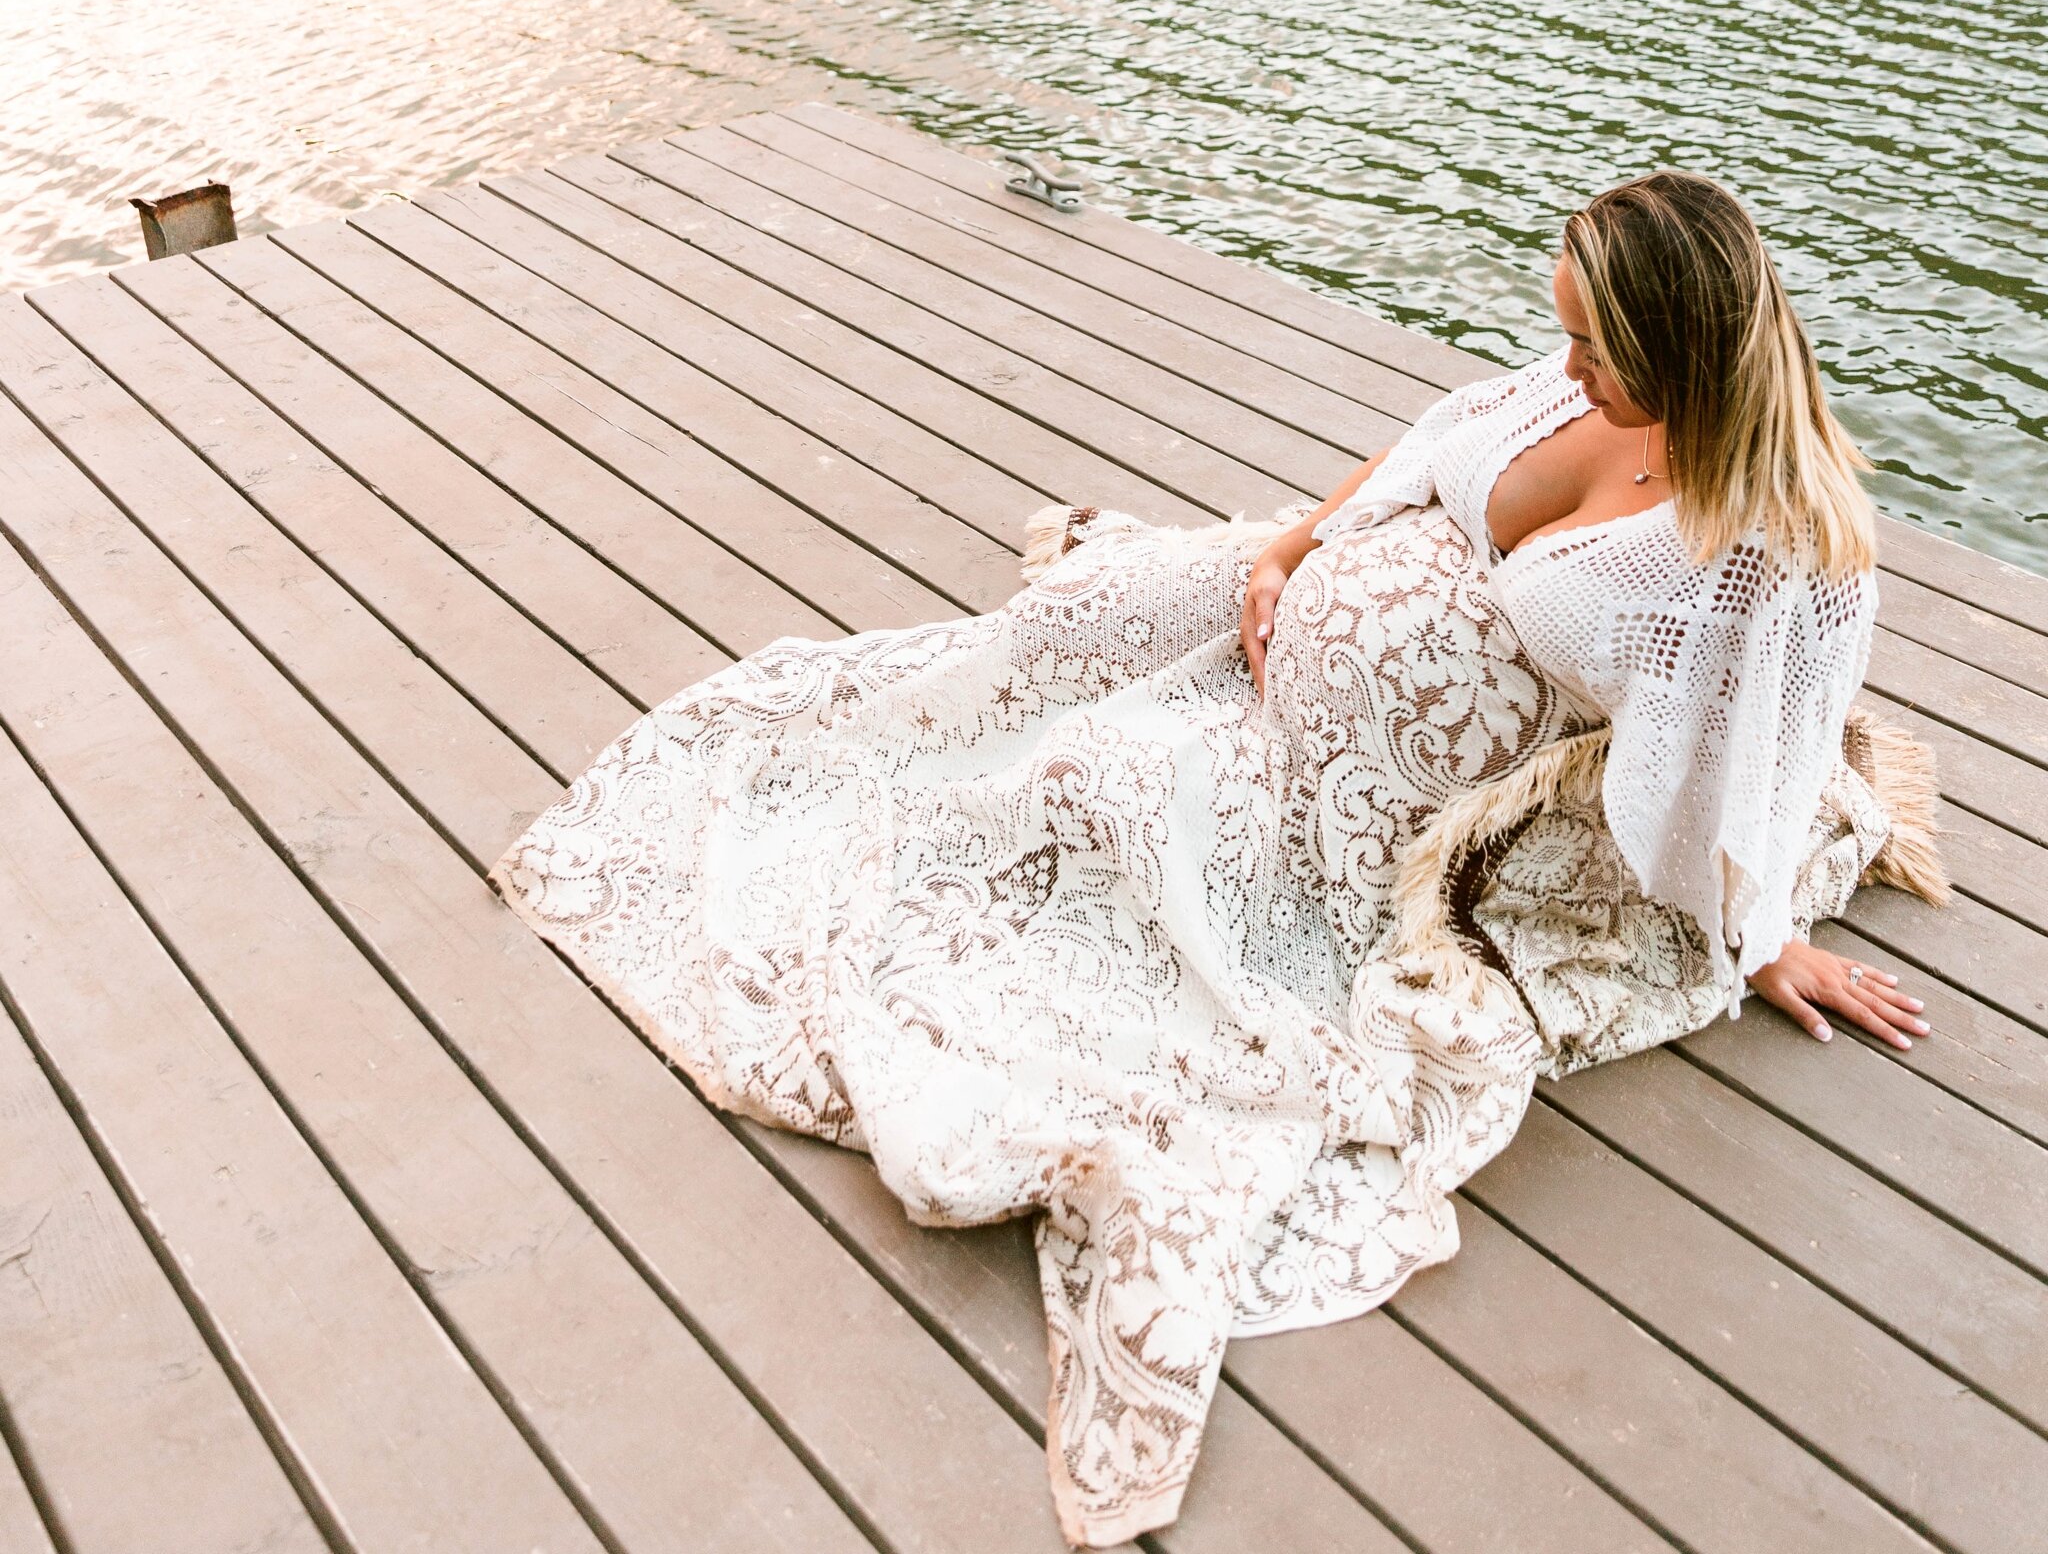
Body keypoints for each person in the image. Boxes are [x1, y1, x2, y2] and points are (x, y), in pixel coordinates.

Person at [494, 171, 1942, 1548]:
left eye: (1593, 346)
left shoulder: (1779, 558)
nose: (1565, 369)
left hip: (1374, 806)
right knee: (1064, 632)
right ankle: (1176, 620)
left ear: (1679, 348)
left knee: (1087, 791)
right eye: (1562, 329)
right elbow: (1442, 441)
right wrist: (1294, 554)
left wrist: (1762, 943)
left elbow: (1736, 772)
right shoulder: (1586, 393)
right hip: (1291, 623)